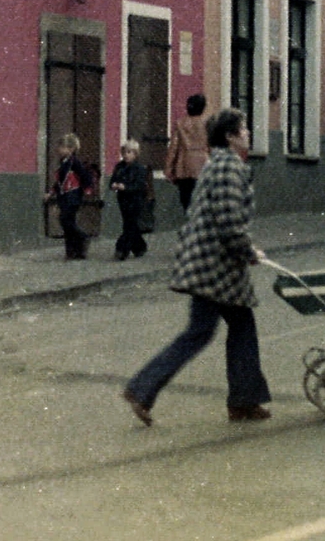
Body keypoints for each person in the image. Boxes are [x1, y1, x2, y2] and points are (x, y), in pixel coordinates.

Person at [123, 107, 272, 426]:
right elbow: (229, 221)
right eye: (243, 130)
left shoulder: (219, 165)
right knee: (203, 332)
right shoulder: (229, 168)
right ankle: (142, 388)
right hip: (215, 267)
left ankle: (244, 400)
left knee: (235, 327)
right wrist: (249, 251)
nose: (247, 134)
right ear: (231, 137)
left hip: (211, 264)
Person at [47, 133, 91, 260]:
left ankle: (82, 238)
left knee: (66, 220)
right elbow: (60, 181)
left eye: (62, 147)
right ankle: (73, 251)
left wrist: (86, 189)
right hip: (64, 197)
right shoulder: (64, 162)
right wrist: (51, 192)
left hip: (72, 197)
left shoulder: (74, 162)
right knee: (66, 223)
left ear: (71, 149)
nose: (59, 149)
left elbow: (85, 175)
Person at [109, 139, 152, 261]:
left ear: (135, 154)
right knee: (130, 224)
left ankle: (122, 249)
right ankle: (139, 247)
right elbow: (113, 179)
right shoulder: (119, 167)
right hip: (123, 200)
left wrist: (126, 187)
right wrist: (113, 185)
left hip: (136, 200)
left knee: (129, 225)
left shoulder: (139, 169)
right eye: (125, 152)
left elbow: (140, 186)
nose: (126, 155)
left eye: (130, 152)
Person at [165, 94, 209, 212]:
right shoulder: (208, 124)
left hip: (184, 165)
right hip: (203, 165)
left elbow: (173, 147)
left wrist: (168, 168)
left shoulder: (180, 124)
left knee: (186, 198)